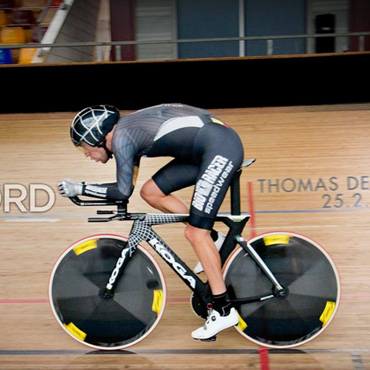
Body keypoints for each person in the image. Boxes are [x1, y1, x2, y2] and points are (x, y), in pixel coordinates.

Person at [58, 103, 244, 341]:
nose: (86, 153)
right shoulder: (127, 134)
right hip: (207, 147)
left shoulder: (123, 137)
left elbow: (122, 192)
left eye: (84, 146)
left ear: (98, 137)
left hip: (220, 148)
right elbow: (129, 189)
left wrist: (81, 187)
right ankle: (215, 240)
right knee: (151, 192)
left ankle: (223, 309)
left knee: (196, 234)